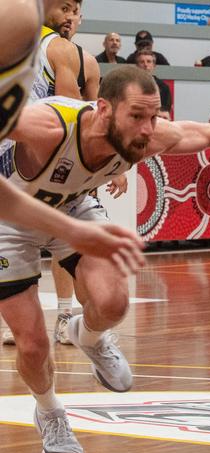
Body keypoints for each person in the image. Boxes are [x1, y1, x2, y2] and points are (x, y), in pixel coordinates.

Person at [0, 64, 210, 453]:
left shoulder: (148, 136)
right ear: (103, 109)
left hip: (71, 207)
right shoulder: (50, 127)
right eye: (136, 116)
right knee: (32, 345)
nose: (147, 128)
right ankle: (50, 412)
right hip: (9, 218)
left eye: (153, 116)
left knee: (114, 302)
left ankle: (89, 337)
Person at [0, 0, 143, 268]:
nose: (70, 17)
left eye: (75, 12)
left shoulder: (80, 58)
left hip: (40, 156)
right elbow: (77, 119)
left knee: (69, 238)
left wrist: (112, 167)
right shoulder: (31, 33)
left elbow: (91, 116)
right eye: (64, 9)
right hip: (27, 155)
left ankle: (66, 310)